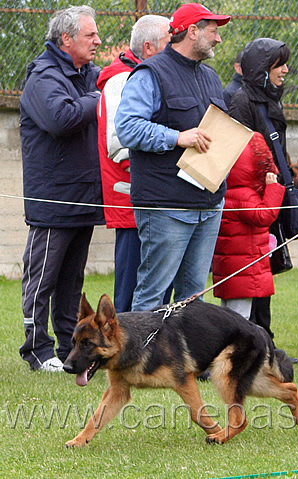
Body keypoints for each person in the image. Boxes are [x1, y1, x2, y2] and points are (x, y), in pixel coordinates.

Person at [114, 3, 230, 312]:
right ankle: (137, 361)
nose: (218, 39)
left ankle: (183, 362)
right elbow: (127, 128)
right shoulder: (150, 73)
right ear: (192, 32)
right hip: (166, 206)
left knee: (193, 300)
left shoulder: (210, 77)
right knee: (153, 294)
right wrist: (177, 137)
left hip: (208, 204)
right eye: (213, 32)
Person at [18, 5, 103, 372]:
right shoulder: (43, 75)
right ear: (66, 39)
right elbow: (61, 118)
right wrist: (99, 100)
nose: (98, 40)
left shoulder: (89, 74)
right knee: (42, 277)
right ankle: (36, 350)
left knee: (72, 279)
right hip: (52, 196)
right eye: (91, 35)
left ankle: (70, 350)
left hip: (85, 194)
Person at [96, 14, 171, 313]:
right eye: (170, 41)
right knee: (132, 291)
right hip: (132, 199)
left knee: (157, 287)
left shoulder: (143, 73)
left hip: (151, 195)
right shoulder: (121, 80)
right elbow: (119, 142)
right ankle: (126, 355)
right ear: (150, 47)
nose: (176, 46)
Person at [227, 37, 290, 340]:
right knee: (250, 273)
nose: (286, 70)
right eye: (279, 65)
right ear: (263, 69)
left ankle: (263, 338)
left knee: (265, 270)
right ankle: (254, 338)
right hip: (252, 201)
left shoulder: (272, 98)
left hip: (271, 193)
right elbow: (242, 153)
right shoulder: (242, 100)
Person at [212, 133, 285, 318]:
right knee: (239, 318)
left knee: (229, 313)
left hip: (232, 268)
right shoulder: (244, 194)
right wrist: (273, 189)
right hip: (244, 270)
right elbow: (264, 215)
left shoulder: (227, 191)